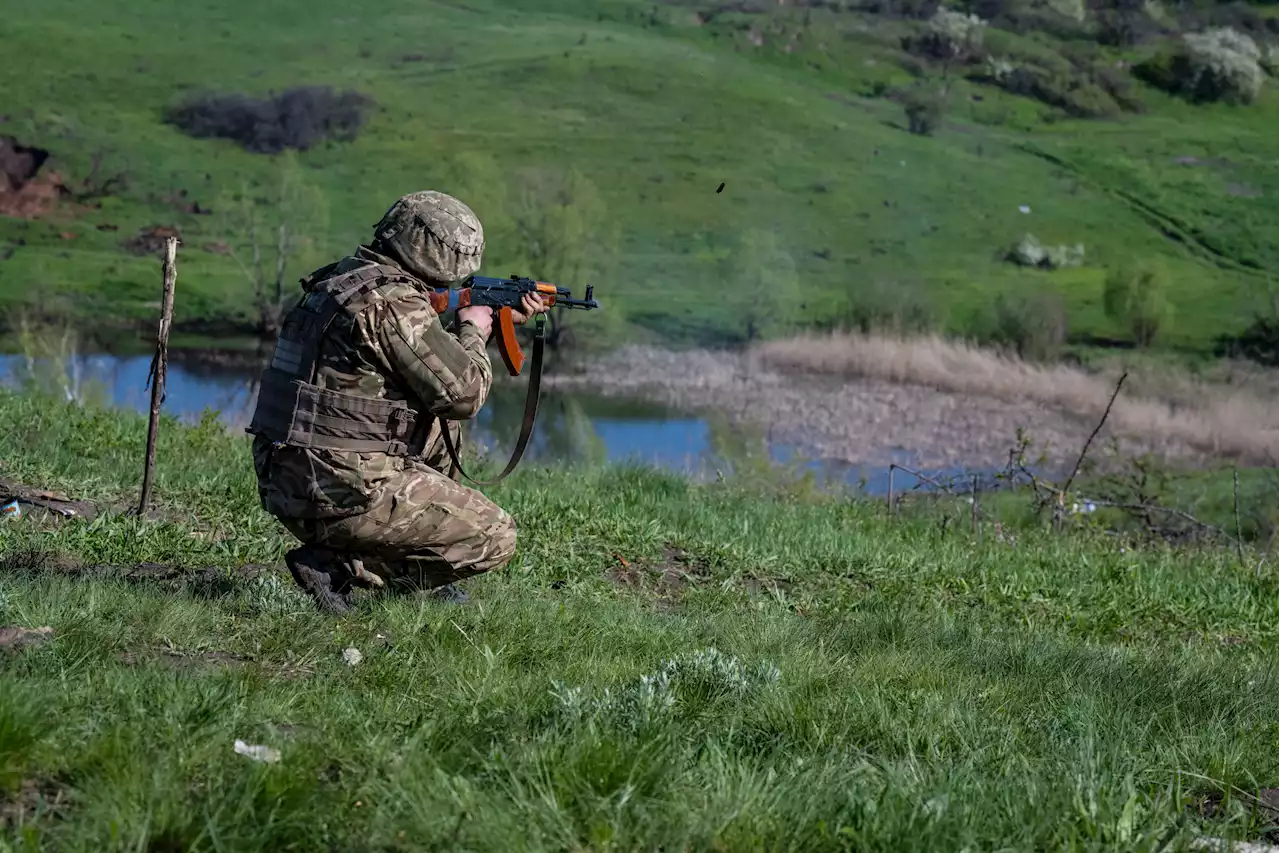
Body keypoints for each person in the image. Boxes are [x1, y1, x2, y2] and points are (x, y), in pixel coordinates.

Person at [245, 190, 549, 613]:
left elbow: (399, 362)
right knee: (495, 538)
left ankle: (397, 549)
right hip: (338, 491)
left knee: (440, 426)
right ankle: (340, 567)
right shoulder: (394, 303)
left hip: (285, 476)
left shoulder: (339, 280)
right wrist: (475, 331)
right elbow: (465, 393)